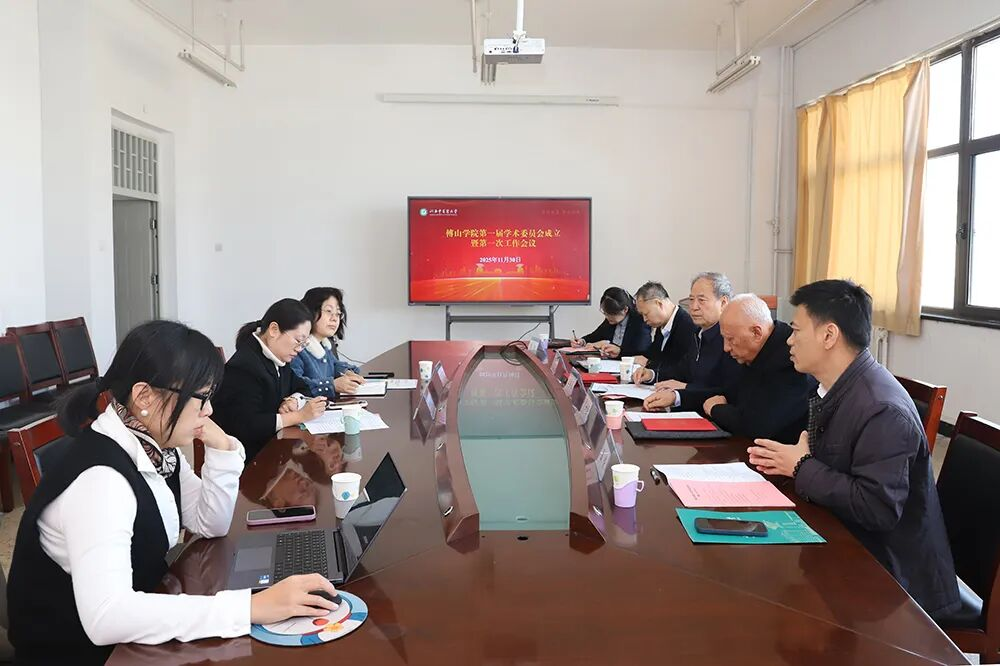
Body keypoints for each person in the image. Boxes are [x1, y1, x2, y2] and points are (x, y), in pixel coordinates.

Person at [6, 321, 339, 664]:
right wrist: (249, 608)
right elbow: (108, 616)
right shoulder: (102, 481)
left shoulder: (155, 448)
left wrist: (223, 448)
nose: (209, 411)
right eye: (202, 398)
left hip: (142, 625)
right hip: (86, 653)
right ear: (145, 397)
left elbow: (209, 523)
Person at [747, 279, 959, 618]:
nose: (788, 339)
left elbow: (877, 508)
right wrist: (795, 462)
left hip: (893, 580)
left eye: (796, 330)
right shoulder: (838, 387)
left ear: (829, 335)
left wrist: (801, 466)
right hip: (852, 542)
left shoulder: (881, 408)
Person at [213, 299, 327, 460]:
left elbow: (303, 386)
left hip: (274, 449)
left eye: (304, 343)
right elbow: (248, 425)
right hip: (247, 459)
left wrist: (293, 401)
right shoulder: (244, 367)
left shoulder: (279, 358)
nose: (300, 349)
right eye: (298, 341)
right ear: (274, 330)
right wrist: (299, 416)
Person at [700, 294, 814, 442]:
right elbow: (726, 392)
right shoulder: (749, 352)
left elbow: (759, 426)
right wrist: (679, 396)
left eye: (731, 339)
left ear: (756, 333)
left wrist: (716, 409)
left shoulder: (790, 358)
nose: (726, 348)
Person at [643, 272, 742, 412]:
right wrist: (652, 375)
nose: (693, 307)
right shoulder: (698, 333)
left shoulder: (731, 339)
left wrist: (684, 390)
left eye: (701, 300)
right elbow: (681, 370)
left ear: (723, 303)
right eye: (691, 299)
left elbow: (726, 391)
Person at [291, 287, 365, 399]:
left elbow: (335, 365)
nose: (334, 319)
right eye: (329, 311)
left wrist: (347, 372)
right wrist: (332, 385)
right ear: (310, 312)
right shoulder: (297, 349)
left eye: (338, 313)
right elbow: (296, 384)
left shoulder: (324, 346)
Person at [630, 281, 697, 385]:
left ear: (659, 304)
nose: (644, 319)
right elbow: (654, 356)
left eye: (646, 314)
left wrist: (652, 372)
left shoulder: (688, 326)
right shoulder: (661, 325)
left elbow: (681, 369)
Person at [570, 287, 651, 358]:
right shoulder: (611, 320)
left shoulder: (640, 321)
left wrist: (610, 344)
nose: (607, 317)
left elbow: (641, 350)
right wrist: (582, 341)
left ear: (625, 310)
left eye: (611, 314)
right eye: (605, 313)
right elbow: (596, 335)